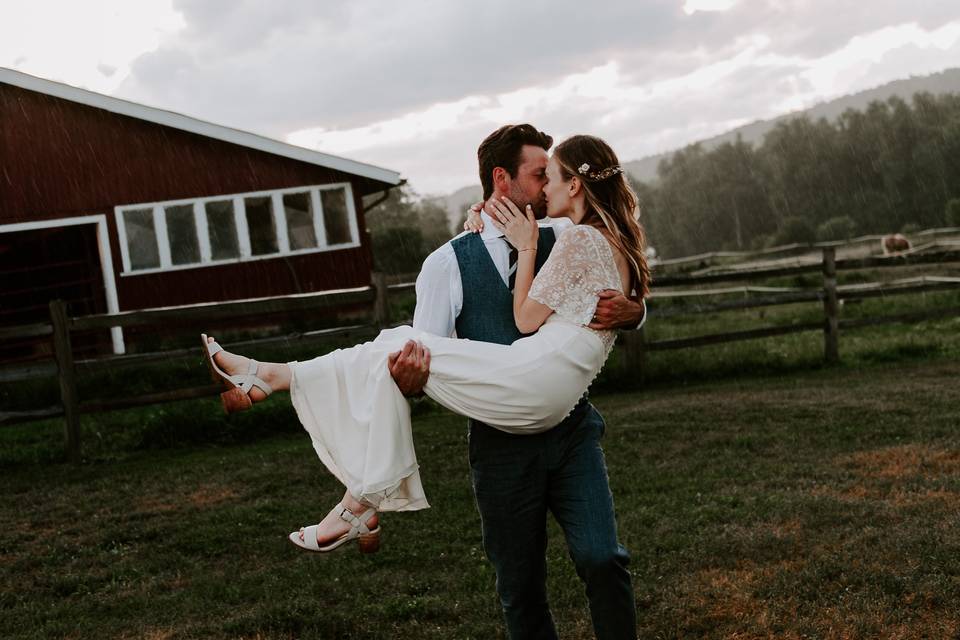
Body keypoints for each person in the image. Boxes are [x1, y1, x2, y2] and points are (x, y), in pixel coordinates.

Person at [202, 129, 649, 637]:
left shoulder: (565, 234)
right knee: (519, 589)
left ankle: (303, 417)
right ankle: (333, 459)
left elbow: (612, 279)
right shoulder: (446, 263)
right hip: (501, 446)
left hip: (570, 432)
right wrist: (409, 379)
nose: (547, 184)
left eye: (552, 175)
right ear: (502, 180)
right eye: (537, 174)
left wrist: (634, 313)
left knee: (602, 559)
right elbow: (425, 361)